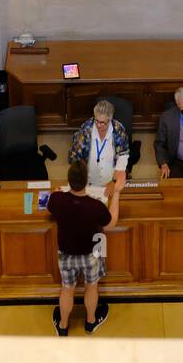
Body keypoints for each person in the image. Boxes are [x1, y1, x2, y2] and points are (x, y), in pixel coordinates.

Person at [46, 158, 118, 335]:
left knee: (67, 289)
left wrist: (55, 192)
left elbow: (50, 207)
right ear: (86, 181)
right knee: (91, 287)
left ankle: (63, 326)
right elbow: (110, 224)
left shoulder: (57, 200)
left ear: (69, 180)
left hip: (66, 255)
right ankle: (91, 322)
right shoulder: (96, 206)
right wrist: (116, 196)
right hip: (90, 256)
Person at [68, 99, 129, 199]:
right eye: (96, 120)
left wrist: (114, 181)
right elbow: (74, 156)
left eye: (103, 123)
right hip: (87, 184)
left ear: (110, 120)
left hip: (110, 182)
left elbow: (123, 155)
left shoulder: (118, 129)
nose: (98, 125)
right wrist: (80, 178)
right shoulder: (86, 129)